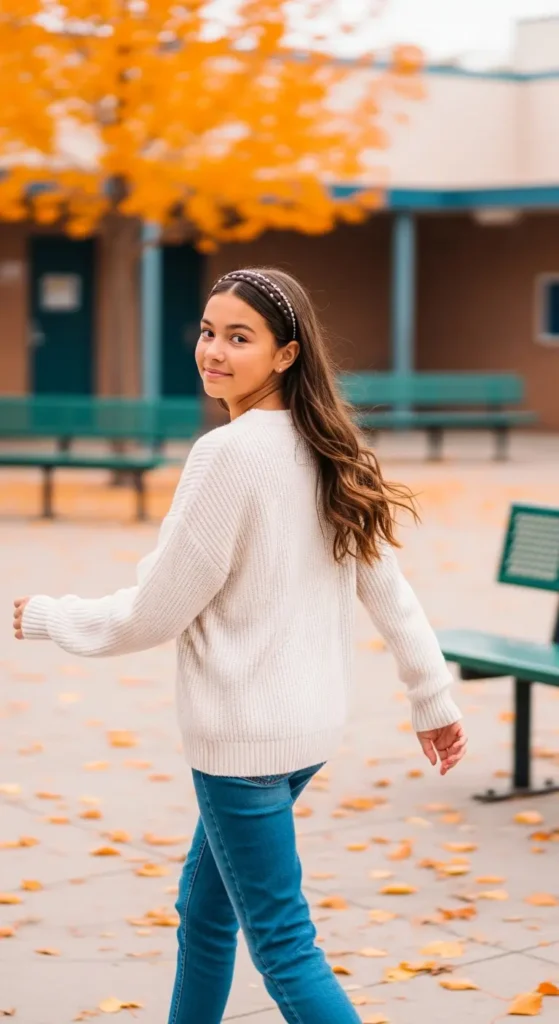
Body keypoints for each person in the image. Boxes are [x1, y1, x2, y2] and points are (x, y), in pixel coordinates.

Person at [13, 267, 466, 1024]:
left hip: (243, 743)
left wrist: (48, 616)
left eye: (239, 337)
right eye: (206, 331)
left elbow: (154, 614)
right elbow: (387, 589)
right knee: (205, 912)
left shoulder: (226, 456)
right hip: (305, 732)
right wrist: (431, 697)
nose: (213, 351)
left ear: (285, 354)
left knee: (285, 947)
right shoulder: (330, 446)